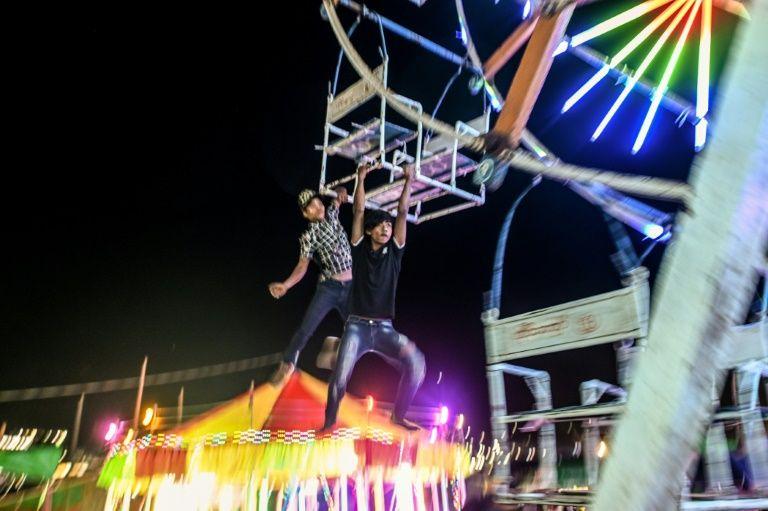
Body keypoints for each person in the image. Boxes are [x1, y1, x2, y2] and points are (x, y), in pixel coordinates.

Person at [323, 163, 426, 431]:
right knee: (340, 380)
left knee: (417, 363)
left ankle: (398, 415)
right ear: (369, 231)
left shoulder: (395, 252)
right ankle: (329, 423)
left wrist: (408, 181)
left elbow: (402, 212)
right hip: (356, 327)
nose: (386, 229)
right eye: (380, 225)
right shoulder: (359, 248)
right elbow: (358, 211)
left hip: (384, 330)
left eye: (388, 226)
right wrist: (360, 178)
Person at [268, 185, 352, 386]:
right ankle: (288, 363)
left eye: (317, 202)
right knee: (306, 328)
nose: (317, 207)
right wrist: (286, 285)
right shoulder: (308, 236)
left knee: (360, 326)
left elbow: (340, 195)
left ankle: (335, 349)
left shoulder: (332, 212)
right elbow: (302, 265)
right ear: (306, 215)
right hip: (329, 288)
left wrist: (341, 191)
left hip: (350, 287)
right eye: (311, 207)